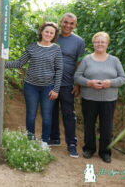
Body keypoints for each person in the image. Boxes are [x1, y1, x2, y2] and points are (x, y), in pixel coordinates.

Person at [5, 22, 63, 149]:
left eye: (51, 33)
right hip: (31, 86)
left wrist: (56, 89)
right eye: (46, 31)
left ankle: (44, 142)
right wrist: (3, 64)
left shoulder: (56, 49)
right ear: (41, 32)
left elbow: (59, 69)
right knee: (31, 114)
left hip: (48, 87)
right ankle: (30, 141)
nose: (48, 34)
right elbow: (20, 63)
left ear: (54, 35)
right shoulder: (31, 47)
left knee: (47, 116)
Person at [74, 32, 125, 163]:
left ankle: (105, 152)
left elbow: (123, 78)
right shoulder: (87, 59)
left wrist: (110, 83)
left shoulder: (114, 60)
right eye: (97, 42)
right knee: (89, 125)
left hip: (108, 100)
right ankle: (89, 149)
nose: (100, 44)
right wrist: (89, 83)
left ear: (107, 44)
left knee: (106, 126)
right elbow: (77, 77)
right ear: (93, 43)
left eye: (103, 42)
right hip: (89, 98)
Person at [49, 13, 85, 158]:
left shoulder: (78, 41)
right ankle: (54, 137)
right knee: (51, 111)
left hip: (67, 83)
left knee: (69, 113)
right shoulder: (52, 36)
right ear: (61, 22)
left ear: (75, 25)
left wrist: (77, 84)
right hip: (50, 81)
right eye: (65, 22)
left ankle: (71, 143)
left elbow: (79, 63)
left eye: (71, 23)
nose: (68, 25)